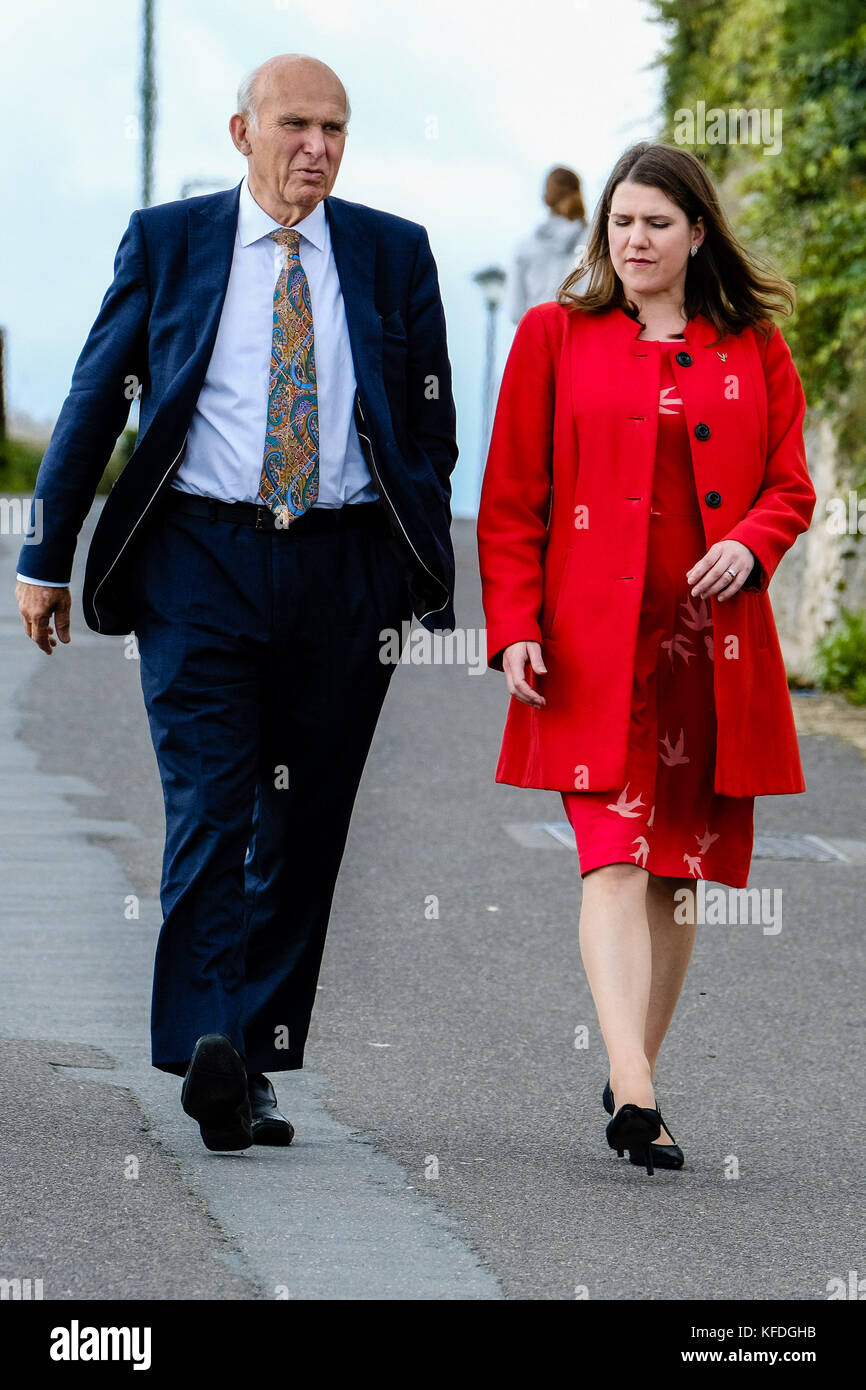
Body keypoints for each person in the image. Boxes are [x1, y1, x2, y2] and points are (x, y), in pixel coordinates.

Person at [15, 54, 457, 1153]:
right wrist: (44, 552)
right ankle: (207, 1039)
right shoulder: (169, 245)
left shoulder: (393, 253)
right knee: (214, 805)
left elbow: (428, 422)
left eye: (336, 129)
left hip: (344, 570)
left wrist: (410, 553)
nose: (317, 146)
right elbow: (94, 392)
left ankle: (248, 1059)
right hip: (198, 559)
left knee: (300, 828)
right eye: (296, 124)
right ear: (240, 131)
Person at [477, 141, 815, 1175]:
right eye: (619, 222)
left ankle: (633, 1074)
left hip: (709, 654)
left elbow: (789, 487)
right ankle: (633, 1083)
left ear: (697, 233)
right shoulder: (552, 335)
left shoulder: (752, 346)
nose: (632, 240)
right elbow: (510, 499)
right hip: (590, 650)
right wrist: (513, 624)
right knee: (611, 858)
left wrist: (748, 543)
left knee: (679, 876)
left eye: (655, 224)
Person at [510, 166, 588, 323]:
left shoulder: (524, 248)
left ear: (546, 197)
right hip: (581, 334)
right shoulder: (595, 239)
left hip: (540, 334)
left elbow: (515, 312)